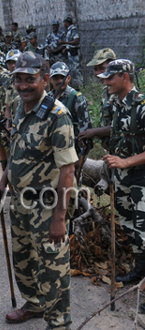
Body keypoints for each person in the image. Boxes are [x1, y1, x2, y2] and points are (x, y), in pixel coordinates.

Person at [0, 52, 77, 330]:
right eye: (18, 80)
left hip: (47, 206)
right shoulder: (22, 107)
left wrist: (59, 218)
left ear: (44, 79)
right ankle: (34, 303)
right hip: (20, 204)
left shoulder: (58, 116)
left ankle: (58, 322)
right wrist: (3, 182)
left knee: (52, 269)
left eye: (29, 79)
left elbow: (68, 172)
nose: (23, 85)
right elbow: (18, 150)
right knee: (23, 260)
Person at [98, 60, 145, 293]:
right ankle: (139, 271)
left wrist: (126, 161)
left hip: (142, 180)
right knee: (130, 227)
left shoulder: (142, 106)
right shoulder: (117, 104)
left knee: (144, 230)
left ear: (124, 77)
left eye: (110, 78)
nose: (105, 82)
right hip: (122, 179)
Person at [48, 62, 92, 156]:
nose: (60, 81)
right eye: (56, 78)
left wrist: (82, 155)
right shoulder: (48, 98)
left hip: (71, 150)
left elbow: (86, 130)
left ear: (68, 78)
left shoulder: (76, 98)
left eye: (62, 77)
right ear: (50, 80)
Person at [78, 48, 117, 147]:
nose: (98, 73)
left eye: (102, 68)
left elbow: (121, 126)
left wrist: (95, 132)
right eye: (96, 69)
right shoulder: (106, 91)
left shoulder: (120, 91)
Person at [59, 17, 83, 88]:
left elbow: (76, 41)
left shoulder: (73, 29)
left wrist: (65, 42)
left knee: (77, 70)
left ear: (66, 23)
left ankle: (81, 86)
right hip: (71, 54)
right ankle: (77, 86)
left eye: (64, 23)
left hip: (75, 54)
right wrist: (66, 48)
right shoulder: (68, 30)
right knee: (73, 71)